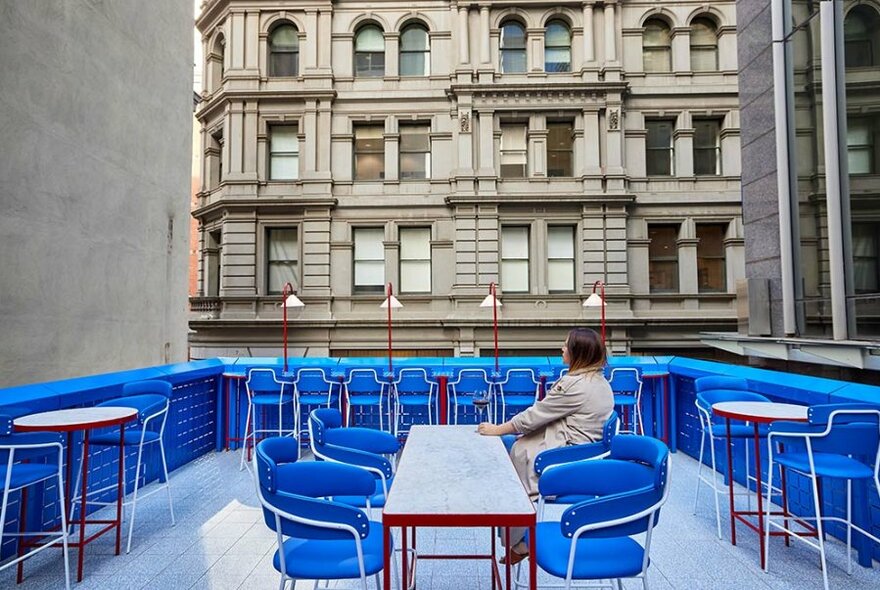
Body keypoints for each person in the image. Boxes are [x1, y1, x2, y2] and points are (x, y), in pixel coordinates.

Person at [477, 327, 614, 564]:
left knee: (512, 458)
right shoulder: (600, 381)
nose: (561, 349)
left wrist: (497, 428)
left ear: (577, 353)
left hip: (565, 458)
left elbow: (534, 416)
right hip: (588, 453)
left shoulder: (574, 385)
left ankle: (518, 538)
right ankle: (512, 531)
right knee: (512, 445)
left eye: (566, 345)